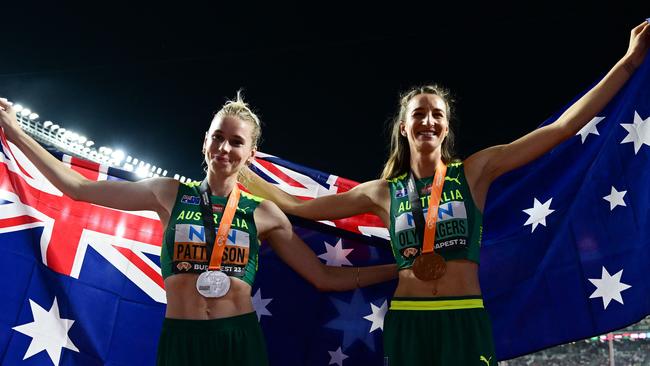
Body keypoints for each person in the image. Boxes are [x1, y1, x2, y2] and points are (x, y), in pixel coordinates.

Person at [240, 21, 650, 365]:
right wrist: (243, 169)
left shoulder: (476, 171)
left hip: (464, 316)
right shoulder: (382, 192)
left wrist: (629, 62)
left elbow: (560, 130)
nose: (429, 121)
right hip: (409, 319)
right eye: (419, 114)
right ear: (404, 127)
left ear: (447, 127)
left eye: (437, 114)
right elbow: (300, 207)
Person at [0, 93, 398, 366]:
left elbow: (325, 277)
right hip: (181, 338)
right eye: (218, 138)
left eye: (236, 142)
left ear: (250, 153)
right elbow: (78, 188)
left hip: (238, 340)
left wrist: (400, 269)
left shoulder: (264, 213)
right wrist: (15, 132)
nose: (225, 148)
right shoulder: (167, 194)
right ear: (205, 142)